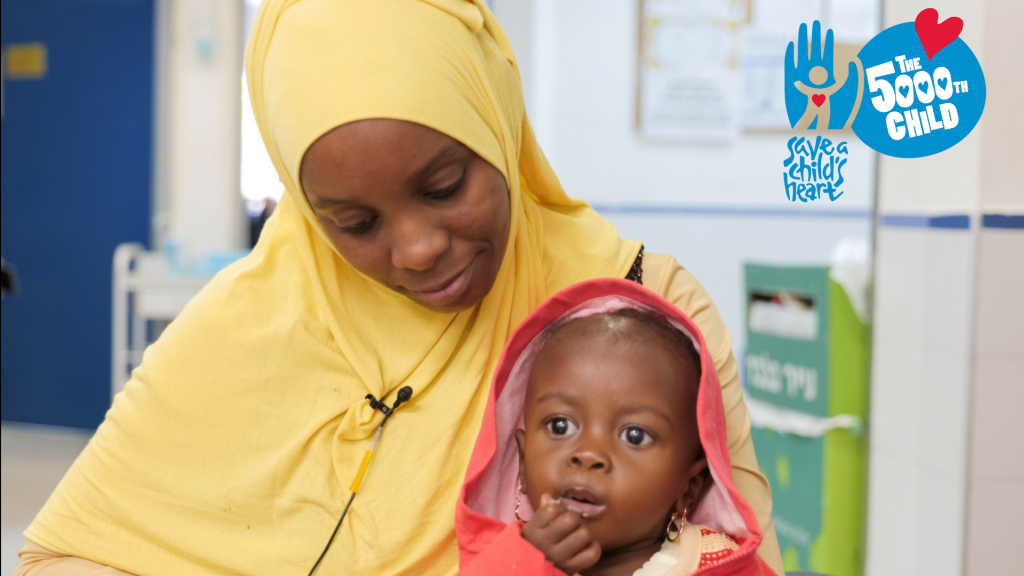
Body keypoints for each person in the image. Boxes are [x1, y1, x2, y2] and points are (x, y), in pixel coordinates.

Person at [16, 1, 782, 575]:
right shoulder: (236, 325)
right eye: (352, 222)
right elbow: (63, 554)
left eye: (446, 185)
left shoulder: (640, 309)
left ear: (496, 119)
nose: (416, 250)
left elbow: (740, 552)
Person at [456, 279, 775, 576]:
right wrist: (522, 562)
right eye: (560, 425)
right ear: (523, 464)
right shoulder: (500, 561)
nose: (588, 454)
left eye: (634, 436)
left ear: (687, 488)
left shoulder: (715, 562)